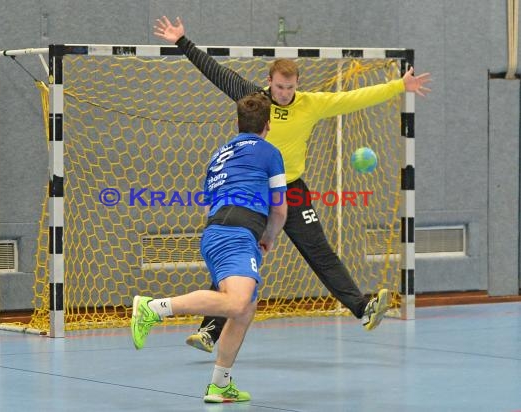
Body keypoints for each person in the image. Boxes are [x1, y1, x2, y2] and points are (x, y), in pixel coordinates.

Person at [153, 16, 432, 353]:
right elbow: (216, 72)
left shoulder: (311, 104)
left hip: (292, 190)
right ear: (269, 82)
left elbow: (354, 98)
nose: (285, 94)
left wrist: (399, 87)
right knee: (241, 255)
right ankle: (210, 332)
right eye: (279, 87)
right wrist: (183, 42)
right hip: (256, 193)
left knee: (319, 251)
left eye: (290, 87)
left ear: (297, 84)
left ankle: (363, 308)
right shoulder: (254, 99)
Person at [131, 93, 288, 403]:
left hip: (218, 230)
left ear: (238, 124)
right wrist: (268, 236)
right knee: (236, 304)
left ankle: (220, 383)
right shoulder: (270, 152)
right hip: (238, 233)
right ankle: (153, 308)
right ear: (268, 124)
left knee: (245, 310)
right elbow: (280, 210)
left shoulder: (219, 154)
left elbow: (208, 207)